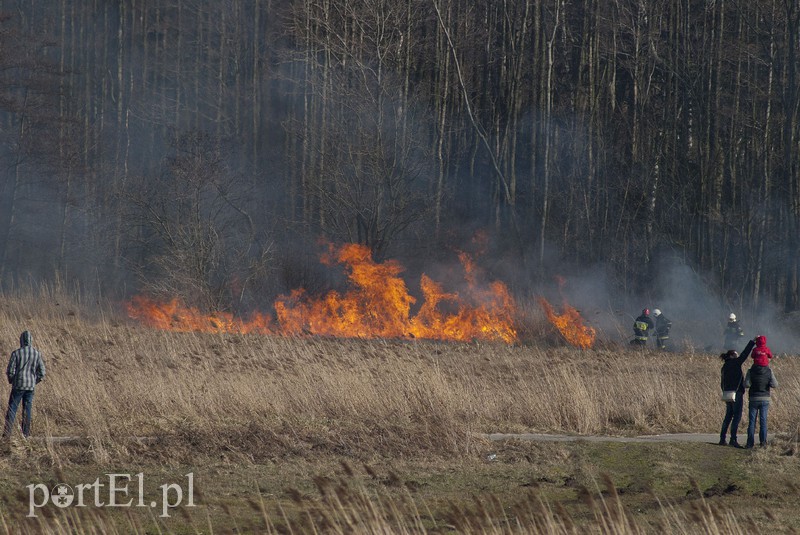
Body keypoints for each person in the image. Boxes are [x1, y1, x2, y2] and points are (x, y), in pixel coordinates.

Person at [3, 331, 46, 438]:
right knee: (27, 409)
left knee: (12, 408)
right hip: (30, 387)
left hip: (18, 386)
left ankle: (7, 434)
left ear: (21, 340)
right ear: (31, 340)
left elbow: (10, 371)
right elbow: (42, 372)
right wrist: (34, 382)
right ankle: (25, 434)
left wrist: (12, 380)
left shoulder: (16, 353)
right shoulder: (37, 354)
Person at [718, 339, 754, 448]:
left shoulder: (724, 366)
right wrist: (752, 342)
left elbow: (722, 382)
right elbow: (745, 353)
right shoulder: (736, 363)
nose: (738, 356)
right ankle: (733, 439)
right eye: (736, 355)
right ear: (733, 355)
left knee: (728, 416)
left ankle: (722, 438)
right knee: (737, 416)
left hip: (727, 394)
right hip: (736, 393)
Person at [744, 344, 777, 448]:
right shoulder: (769, 371)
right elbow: (775, 385)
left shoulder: (750, 371)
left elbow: (747, 384)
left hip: (753, 398)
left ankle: (750, 443)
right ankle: (763, 443)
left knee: (752, 422)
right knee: (763, 421)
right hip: (765, 398)